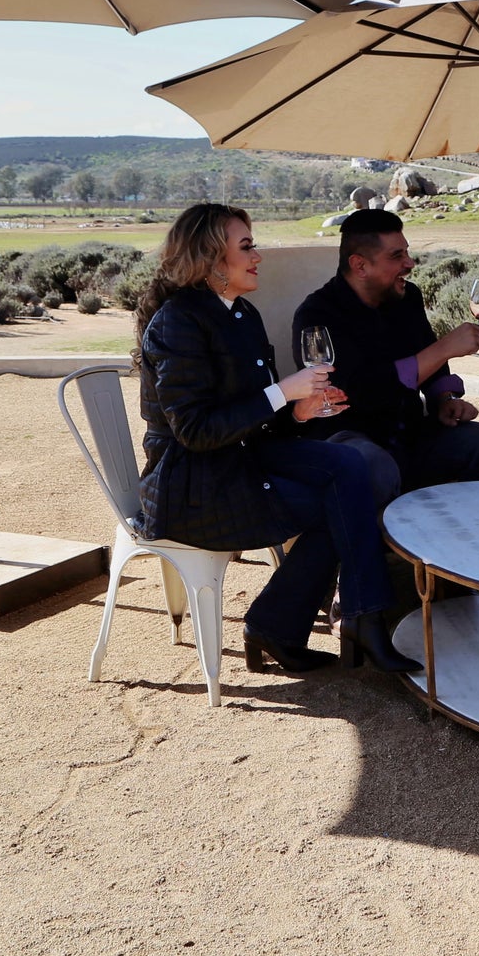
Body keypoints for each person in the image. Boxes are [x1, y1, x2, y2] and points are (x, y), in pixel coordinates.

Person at [135, 203, 420, 675]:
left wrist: (298, 411)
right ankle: (309, 623)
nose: (257, 256)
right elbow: (196, 431)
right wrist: (282, 392)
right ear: (210, 257)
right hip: (195, 487)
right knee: (345, 496)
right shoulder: (178, 323)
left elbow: (258, 420)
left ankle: (345, 617)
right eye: (246, 247)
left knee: (350, 468)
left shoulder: (242, 314)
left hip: (240, 460)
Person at [292, 208, 479, 508]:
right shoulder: (318, 315)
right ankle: (379, 551)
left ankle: (455, 538)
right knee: (371, 466)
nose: (410, 263)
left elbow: (430, 363)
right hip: (348, 437)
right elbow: (359, 392)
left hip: (410, 434)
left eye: (407, 252)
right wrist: (444, 348)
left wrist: (443, 399)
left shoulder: (408, 298)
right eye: (396, 256)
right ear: (360, 265)